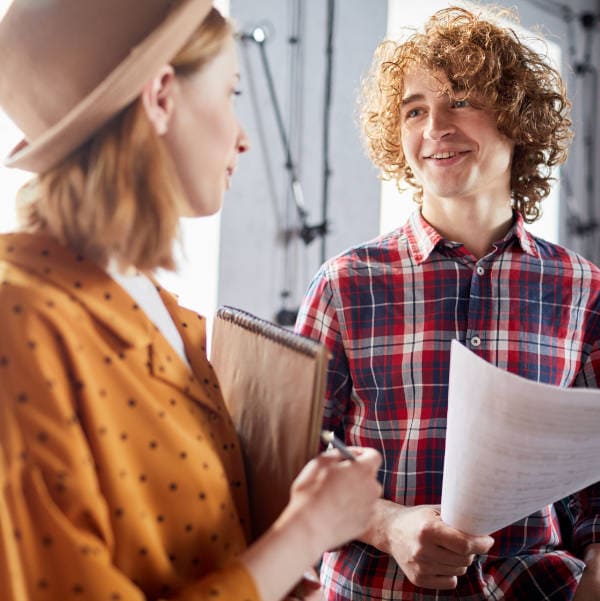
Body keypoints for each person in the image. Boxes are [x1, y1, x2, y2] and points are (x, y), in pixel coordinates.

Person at [0, 2, 383, 601]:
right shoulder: (19, 325)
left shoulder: (156, 308)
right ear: (160, 97)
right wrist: (307, 528)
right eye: (231, 93)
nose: (243, 138)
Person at [295, 5, 600, 600]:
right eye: (414, 109)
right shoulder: (345, 283)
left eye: (460, 99)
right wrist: (389, 526)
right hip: (376, 590)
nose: (434, 125)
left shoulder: (584, 291)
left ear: (516, 118)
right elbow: (290, 460)